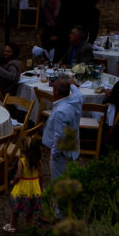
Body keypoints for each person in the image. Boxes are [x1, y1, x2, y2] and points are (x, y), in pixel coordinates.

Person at [41, 77, 83, 211]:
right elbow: (79, 95)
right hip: (72, 146)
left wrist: (54, 154)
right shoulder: (75, 101)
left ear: (55, 91)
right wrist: (73, 85)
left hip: (62, 153)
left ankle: (58, 213)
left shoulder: (61, 111)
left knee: (58, 182)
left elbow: (59, 137)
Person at [4, 135, 44, 234]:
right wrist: (40, 186)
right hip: (33, 189)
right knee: (30, 211)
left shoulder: (21, 161)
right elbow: (41, 176)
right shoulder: (38, 162)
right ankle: (29, 228)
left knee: (16, 210)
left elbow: (18, 175)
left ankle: (13, 226)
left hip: (22, 189)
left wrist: (13, 181)